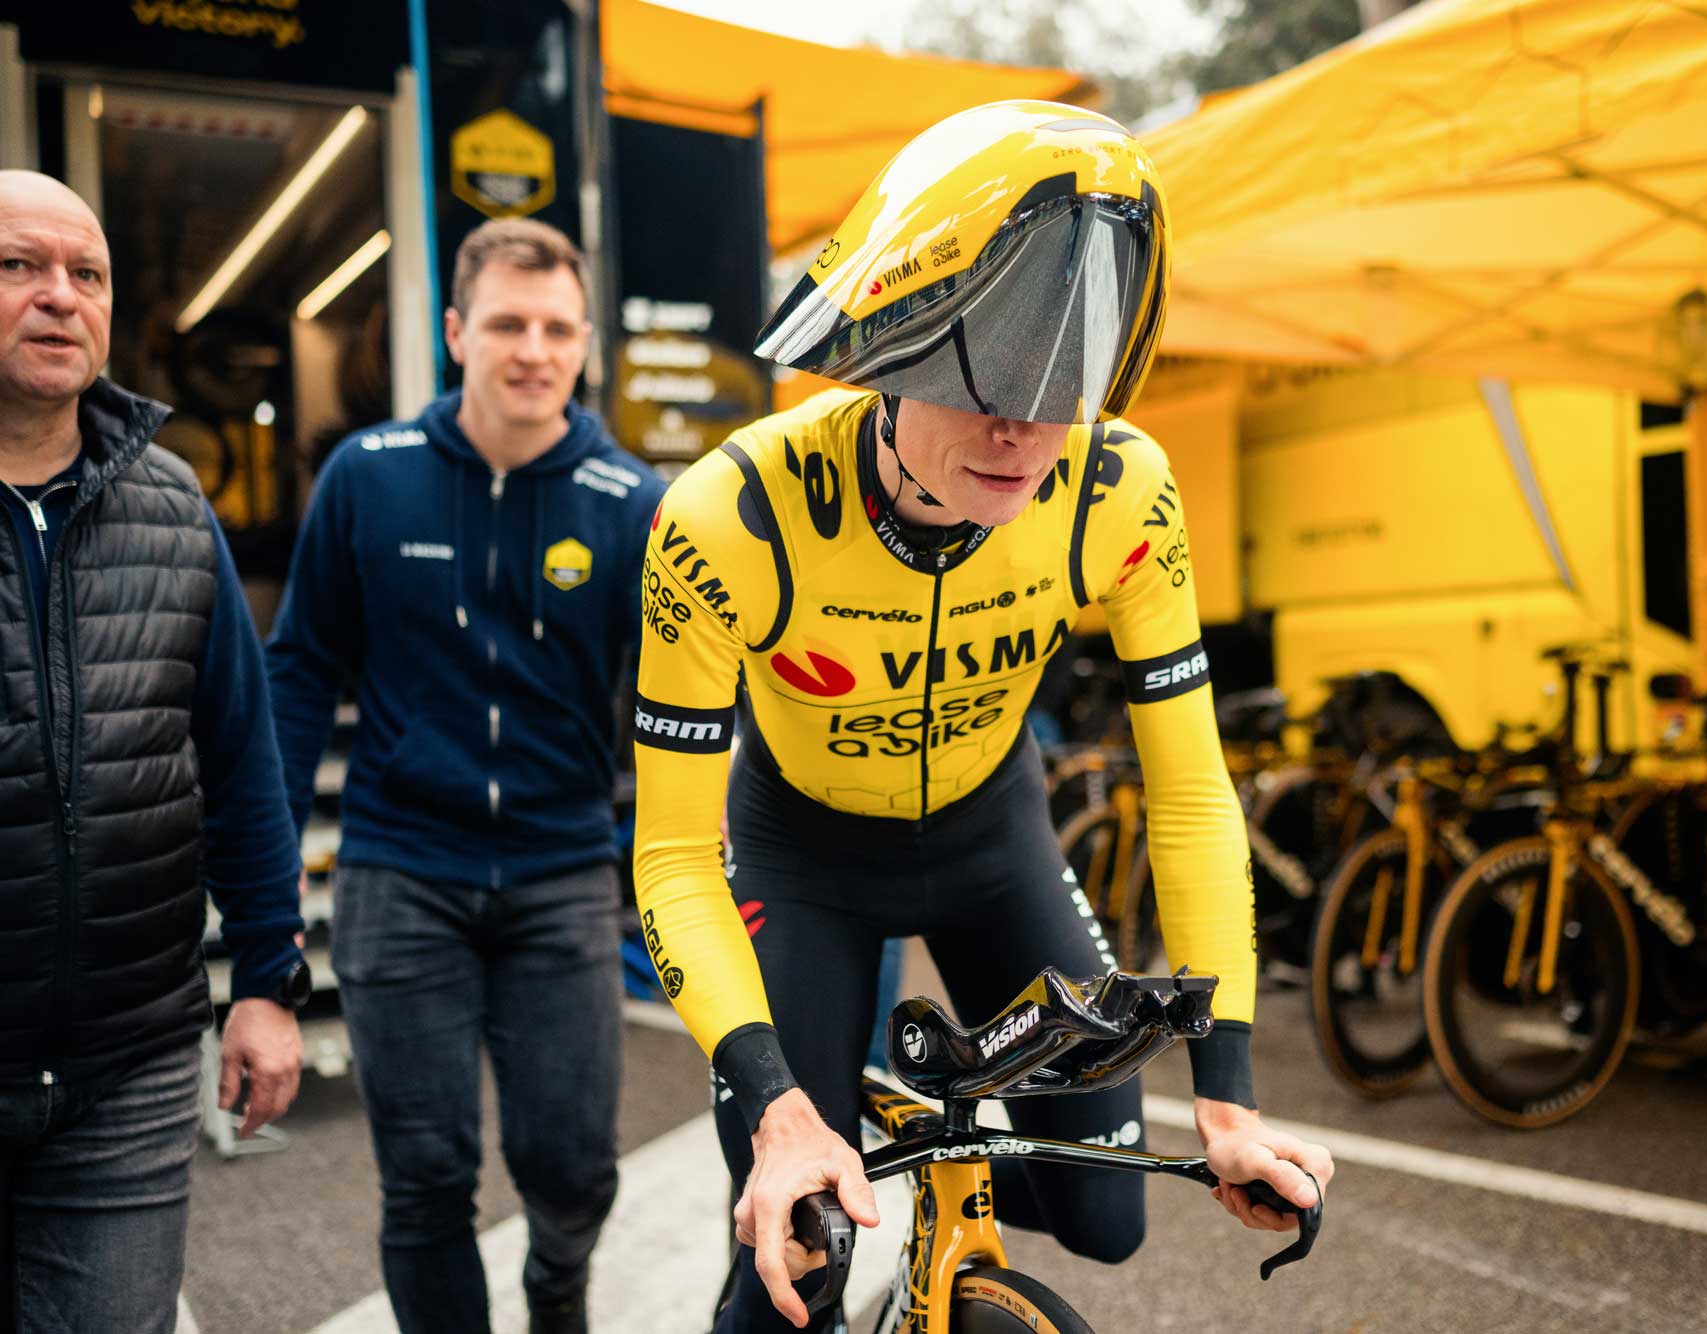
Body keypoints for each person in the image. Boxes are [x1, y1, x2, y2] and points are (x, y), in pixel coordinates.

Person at [629, 102, 1335, 1332]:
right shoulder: (729, 516)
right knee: (791, 1267)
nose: (1022, 435)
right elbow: (672, 856)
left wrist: (1226, 1098)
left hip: (986, 835)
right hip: (802, 861)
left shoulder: (1120, 489)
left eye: (1060, 391)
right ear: (891, 355)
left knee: (1110, 1218)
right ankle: (836, 1166)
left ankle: (927, 1166)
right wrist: (784, 1116)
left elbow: (1188, 793)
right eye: (986, 386)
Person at [265, 218, 666, 1334]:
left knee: (572, 1159)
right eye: (505, 324)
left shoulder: (631, 502)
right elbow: (298, 674)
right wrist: (263, 884)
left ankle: (555, 1289)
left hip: (560, 870)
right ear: (455, 332)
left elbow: (693, 705)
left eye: (554, 328)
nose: (531, 349)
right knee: (428, 1172)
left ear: (585, 343)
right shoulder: (368, 477)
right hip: (403, 871)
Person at [0, 169, 307, 1331]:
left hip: (127, 1058)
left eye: (86, 274)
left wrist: (269, 981)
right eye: (18, 266)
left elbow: (240, 758)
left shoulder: (174, 507)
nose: (57, 297)